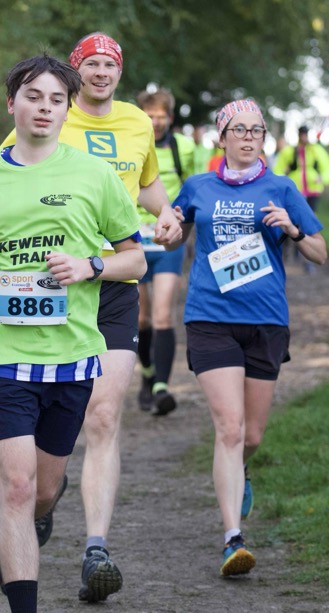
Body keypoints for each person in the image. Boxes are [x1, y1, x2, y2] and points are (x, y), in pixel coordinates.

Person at [0, 55, 146, 613]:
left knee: (44, 491)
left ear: (67, 110)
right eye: (33, 97)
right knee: (17, 486)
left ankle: (24, 533)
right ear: (12, 103)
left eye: (56, 100)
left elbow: (135, 259)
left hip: (71, 355)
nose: (45, 108)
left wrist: (90, 266)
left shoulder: (93, 175)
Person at [2, 32, 181, 603]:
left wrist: (169, 213)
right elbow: (8, 175)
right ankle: (40, 502)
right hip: (53, 284)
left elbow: (147, 185)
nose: (102, 72)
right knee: (48, 426)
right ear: (76, 71)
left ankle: (96, 549)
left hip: (114, 279)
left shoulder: (136, 123)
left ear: (120, 73)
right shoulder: (49, 109)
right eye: (92, 64)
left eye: (111, 64)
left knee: (103, 416)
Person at [170, 99, 327, 578]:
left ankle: (239, 469)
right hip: (210, 316)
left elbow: (320, 252)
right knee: (231, 428)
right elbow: (172, 234)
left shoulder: (281, 188)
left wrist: (293, 229)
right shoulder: (198, 186)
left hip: (265, 320)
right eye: (239, 130)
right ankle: (232, 538)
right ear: (222, 137)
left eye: (257, 130)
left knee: (251, 436)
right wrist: (167, 226)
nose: (248, 137)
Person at [133, 89, 205, 416]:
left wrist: (183, 221)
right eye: (149, 116)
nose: (155, 122)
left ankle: (162, 387)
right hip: (131, 242)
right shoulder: (129, 144)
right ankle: (147, 374)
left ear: (170, 118)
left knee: (163, 314)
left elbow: (196, 188)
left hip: (167, 242)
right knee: (141, 318)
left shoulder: (184, 148)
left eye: (161, 116)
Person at [272, 125, 329, 271]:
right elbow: (278, 169)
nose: (303, 137)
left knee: (309, 225)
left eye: (305, 134)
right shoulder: (289, 151)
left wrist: (322, 178)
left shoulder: (316, 150)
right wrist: (284, 183)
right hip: (295, 193)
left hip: (313, 191)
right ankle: (287, 253)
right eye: (301, 134)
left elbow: (328, 168)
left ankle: (307, 259)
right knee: (290, 223)